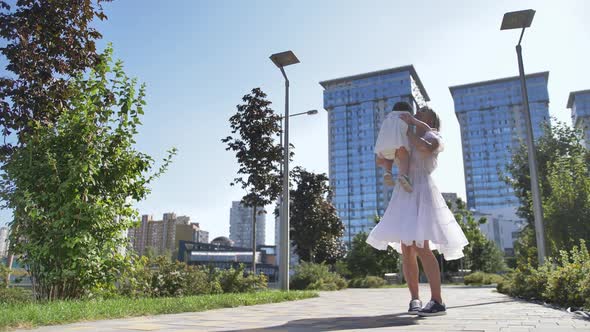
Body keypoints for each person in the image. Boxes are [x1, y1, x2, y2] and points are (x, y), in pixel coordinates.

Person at [367, 107, 469, 317]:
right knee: (407, 248)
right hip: (403, 192)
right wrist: (384, 152)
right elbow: (384, 158)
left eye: (422, 111)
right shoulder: (404, 137)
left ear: (431, 118)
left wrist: (410, 130)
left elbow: (426, 147)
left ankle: (437, 301)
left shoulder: (434, 135)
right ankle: (415, 299)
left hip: (422, 190)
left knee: (422, 246)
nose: (417, 113)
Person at [374, 101, 413, 192]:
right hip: (398, 142)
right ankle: (404, 176)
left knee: (389, 158)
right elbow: (414, 123)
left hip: (383, 145)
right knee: (404, 157)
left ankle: (388, 172)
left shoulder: (388, 118)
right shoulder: (406, 115)